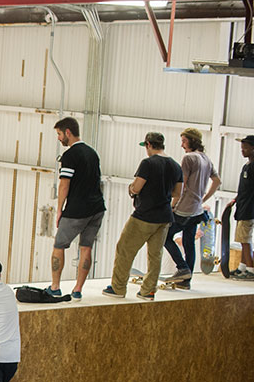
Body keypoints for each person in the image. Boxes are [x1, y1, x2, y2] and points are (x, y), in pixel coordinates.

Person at [103, 132, 184, 300]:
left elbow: (137, 187)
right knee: (155, 255)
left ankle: (118, 288)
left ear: (148, 144)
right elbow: (178, 192)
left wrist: (131, 189)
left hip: (144, 215)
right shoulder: (175, 166)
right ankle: (148, 291)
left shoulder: (148, 163)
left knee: (125, 249)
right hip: (164, 217)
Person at [47, 117, 105, 299]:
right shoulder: (92, 153)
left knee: (59, 246)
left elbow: (65, 184)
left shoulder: (70, 155)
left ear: (68, 132)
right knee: (86, 247)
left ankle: (55, 287)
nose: (59, 138)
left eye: (59, 134)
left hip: (77, 209)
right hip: (97, 208)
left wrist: (59, 210)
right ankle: (78, 289)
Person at [162, 128, 222, 289]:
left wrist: (172, 205)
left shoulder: (189, 158)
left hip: (184, 208)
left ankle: (182, 268)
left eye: (184, 141)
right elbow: (217, 181)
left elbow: (181, 185)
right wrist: (203, 198)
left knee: (165, 236)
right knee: (189, 244)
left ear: (191, 141)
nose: (182, 145)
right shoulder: (206, 159)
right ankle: (185, 281)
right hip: (197, 209)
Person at [234, 136, 254, 279]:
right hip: (243, 206)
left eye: (245, 148)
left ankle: (250, 269)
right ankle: (242, 267)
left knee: (244, 239)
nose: (242, 150)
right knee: (242, 238)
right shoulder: (247, 166)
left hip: (248, 208)